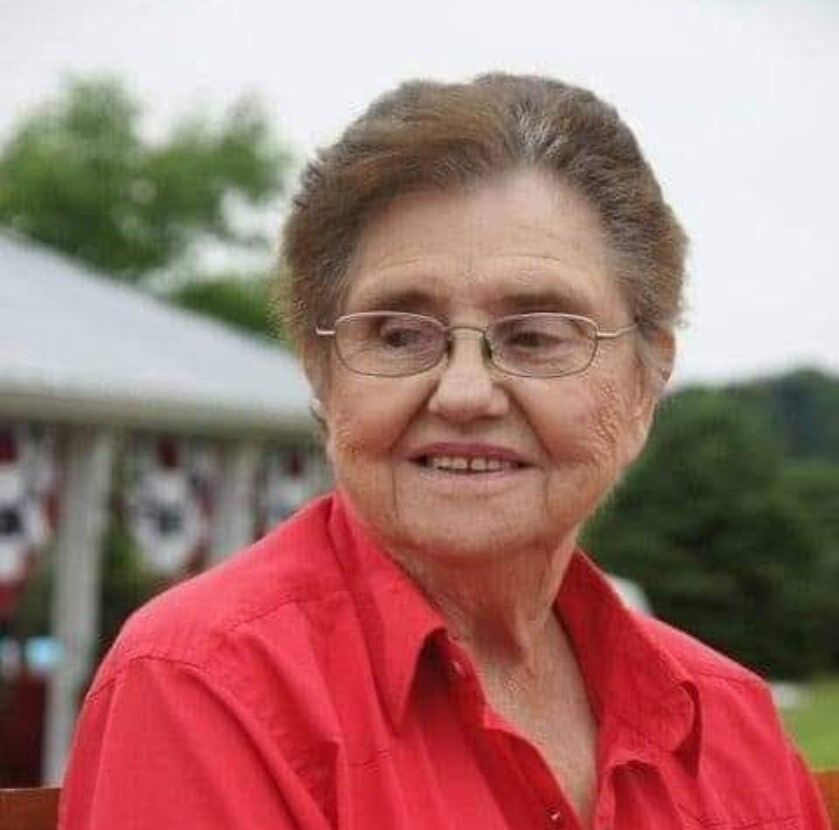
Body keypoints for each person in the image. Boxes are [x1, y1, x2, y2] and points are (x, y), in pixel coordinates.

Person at [59, 74, 830, 829]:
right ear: (320, 374)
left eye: (535, 337)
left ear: (646, 380)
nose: (463, 393)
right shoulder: (207, 684)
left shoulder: (726, 721)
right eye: (400, 335)